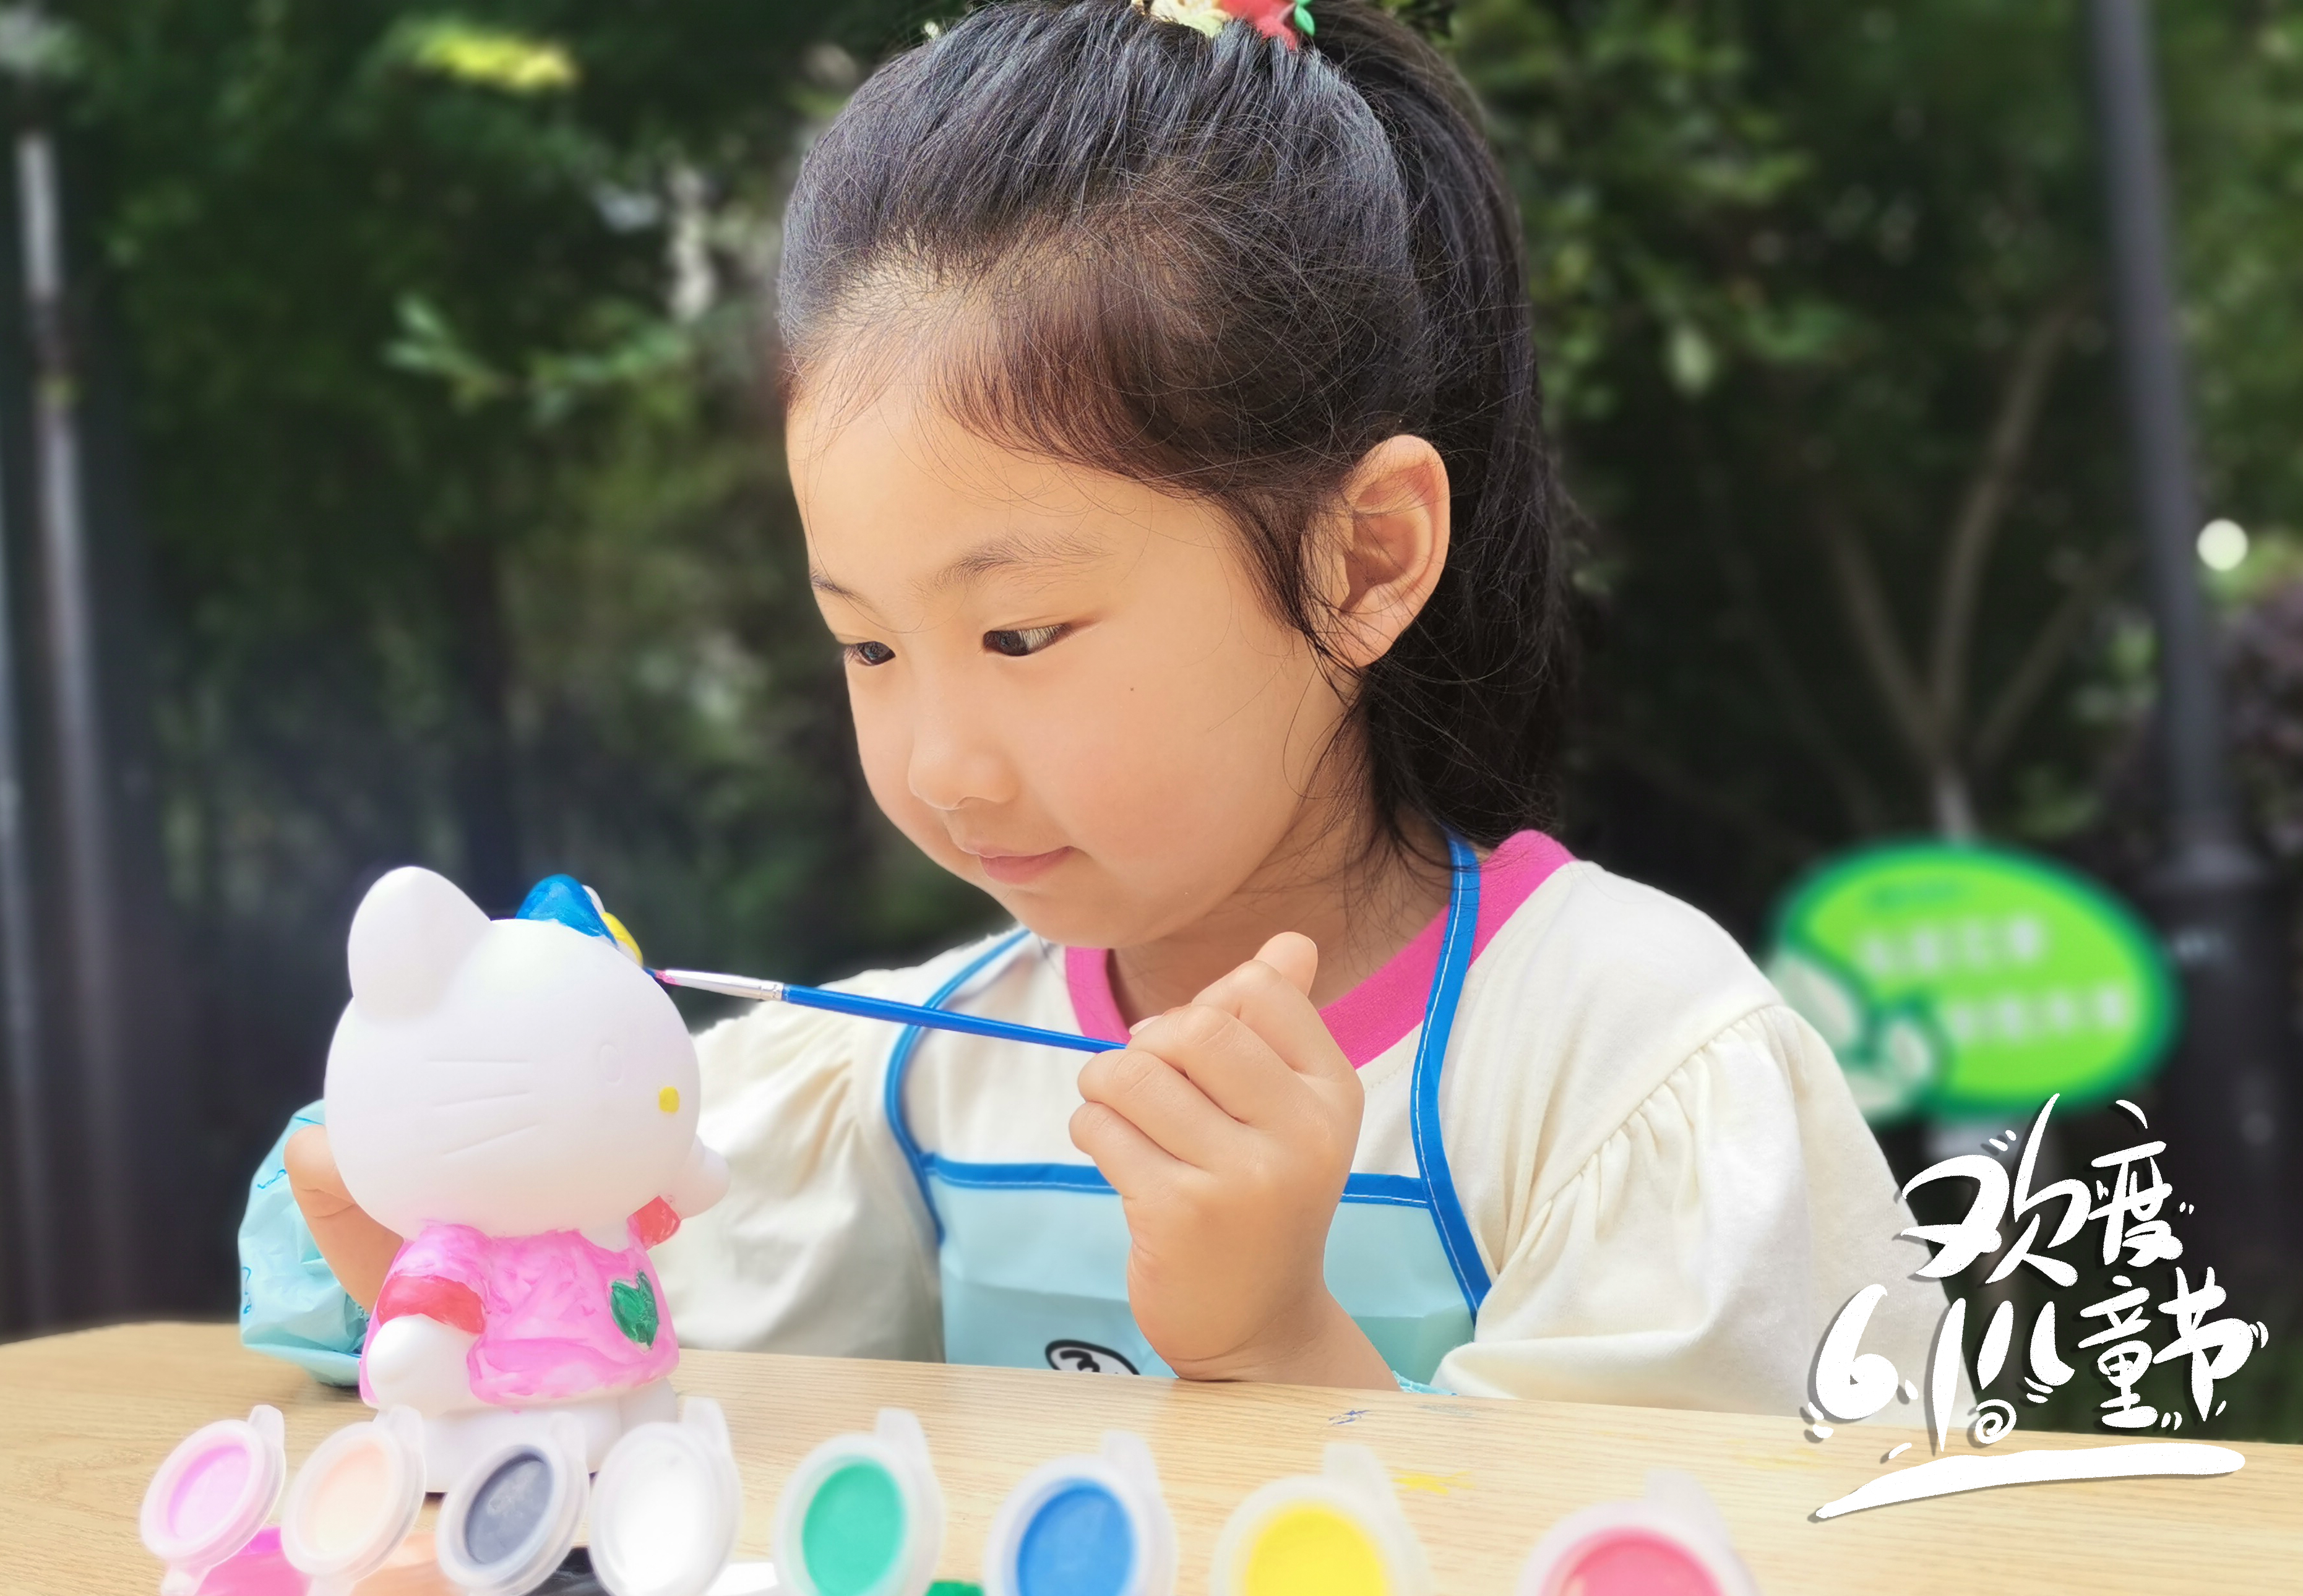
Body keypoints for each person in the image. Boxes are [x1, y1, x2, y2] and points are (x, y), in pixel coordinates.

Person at [241, 0, 1937, 1410]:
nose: (942, 764)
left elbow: (1737, 1542)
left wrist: (1280, 1343)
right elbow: (552, 1326)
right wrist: (445, 1220)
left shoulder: (1621, 1065)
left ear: (1364, 558)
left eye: (1023, 634)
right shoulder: (912, 1077)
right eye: (869, 647)